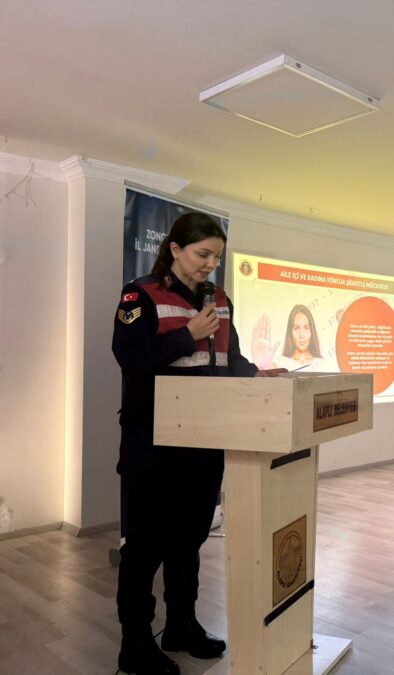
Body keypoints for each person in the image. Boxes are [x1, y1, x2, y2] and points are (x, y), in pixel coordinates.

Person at [112, 212, 284, 675]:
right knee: (145, 547)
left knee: (188, 541)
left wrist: (262, 376)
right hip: (153, 445)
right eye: (202, 254)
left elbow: (230, 359)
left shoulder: (220, 301)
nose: (210, 264)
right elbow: (129, 357)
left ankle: (182, 626)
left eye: (217, 257)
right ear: (174, 249)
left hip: (206, 444)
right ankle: (135, 645)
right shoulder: (141, 295)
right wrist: (186, 335)